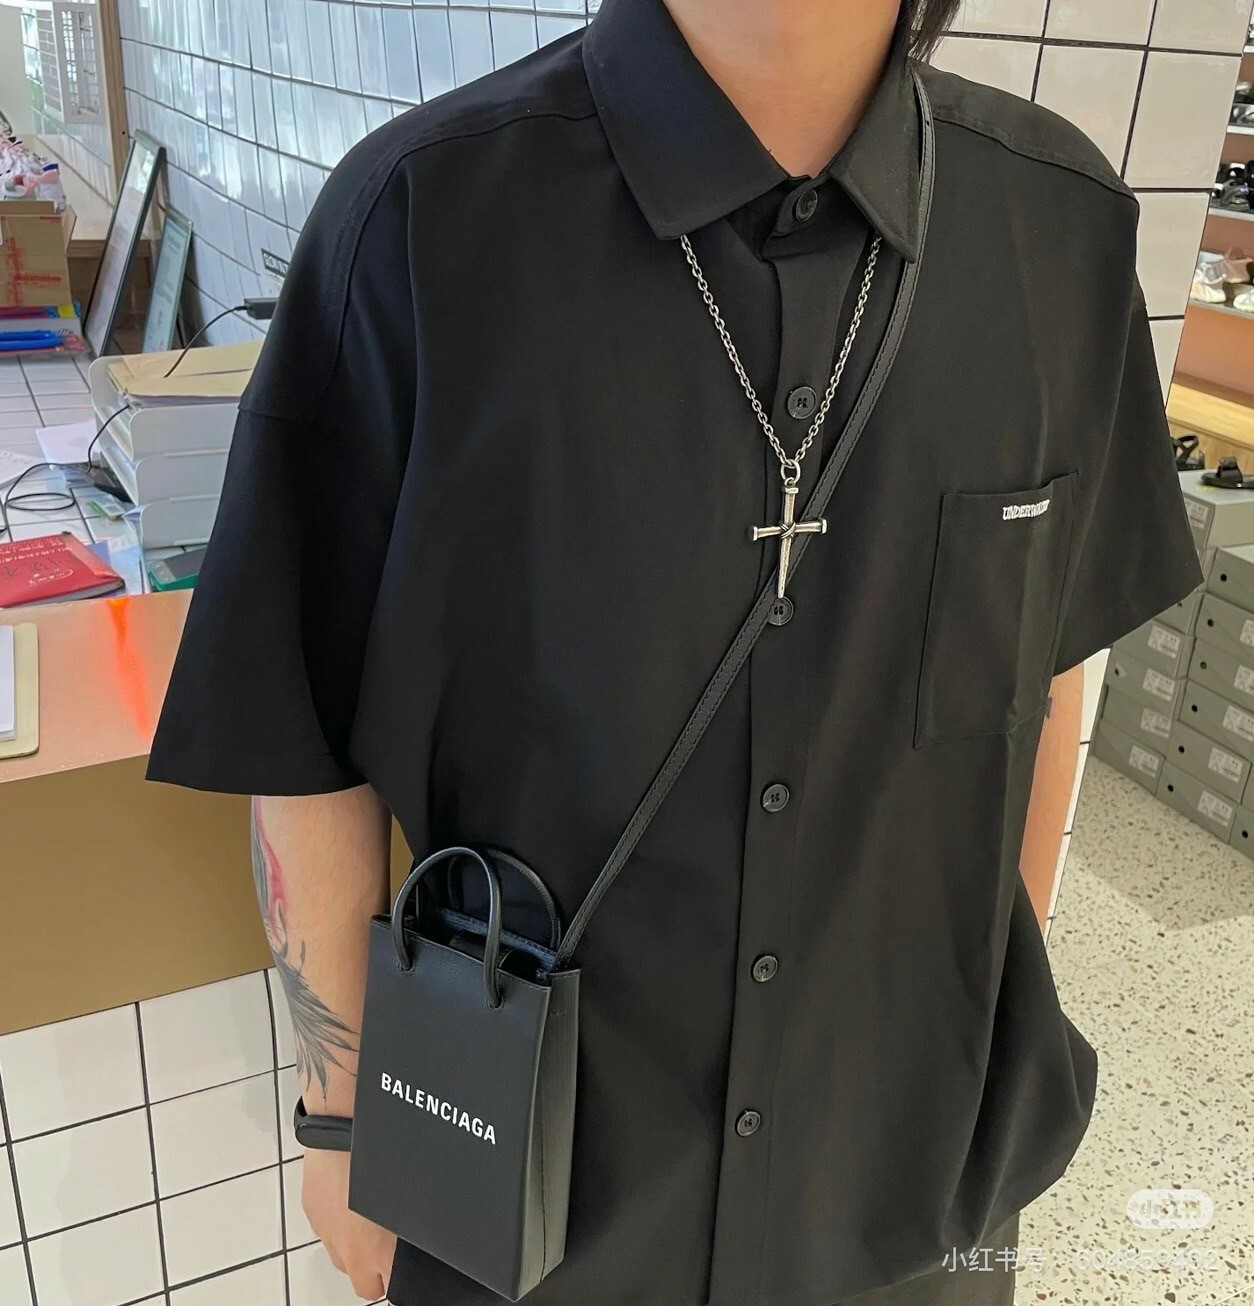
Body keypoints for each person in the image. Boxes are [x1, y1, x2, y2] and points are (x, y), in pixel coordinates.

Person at [146, 0, 1204, 1302]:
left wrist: (988, 1020)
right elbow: (302, 726)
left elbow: (1047, 663)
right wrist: (340, 1113)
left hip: (908, 1187)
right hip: (523, 1202)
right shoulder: (423, 220)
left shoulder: (1056, 227)